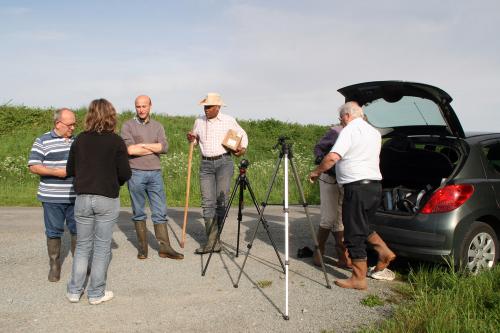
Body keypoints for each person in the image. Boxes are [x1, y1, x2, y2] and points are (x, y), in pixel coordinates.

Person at [309, 101, 395, 290]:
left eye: (341, 118)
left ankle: (358, 278)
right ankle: (384, 251)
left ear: (347, 116)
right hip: (374, 186)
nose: (341, 122)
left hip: (356, 187)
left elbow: (333, 157)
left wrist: (316, 172)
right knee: (365, 225)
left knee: (353, 232)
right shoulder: (373, 132)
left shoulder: (349, 130)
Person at [66, 98, 131, 305]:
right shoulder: (116, 141)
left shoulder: (79, 140)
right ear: (111, 116)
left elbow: (70, 171)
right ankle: (96, 294)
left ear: (90, 115)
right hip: (106, 198)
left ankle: (74, 291)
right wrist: (114, 182)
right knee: (102, 248)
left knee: (83, 246)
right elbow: (125, 173)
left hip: (83, 198)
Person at [121, 95, 183, 260]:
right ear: (135, 107)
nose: (141, 109)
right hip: (136, 173)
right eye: (138, 106)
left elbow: (164, 147)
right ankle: (143, 249)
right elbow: (130, 150)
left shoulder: (158, 126)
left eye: (144, 106)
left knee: (160, 211)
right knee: (139, 212)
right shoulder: (128, 126)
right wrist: (154, 148)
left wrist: (144, 146)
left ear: (150, 106)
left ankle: (165, 248)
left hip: (155, 173)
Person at [187, 93, 248, 254]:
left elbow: (243, 135)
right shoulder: (199, 121)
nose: (206, 110)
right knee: (207, 202)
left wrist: (241, 149)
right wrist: (191, 138)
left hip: (224, 162)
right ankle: (212, 242)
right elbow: (194, 141)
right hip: (205, 163)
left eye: (209, 107)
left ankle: (214, 241)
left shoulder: (228, 120)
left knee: (222, 201)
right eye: (205, 107)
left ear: (218, 107)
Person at [28, 108, 77, 282]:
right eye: (70, 124)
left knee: (77, 230)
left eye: (74, 124)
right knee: (54, 231)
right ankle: (55, 266)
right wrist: (58, 173)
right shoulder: (42, 140)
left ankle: (79, 266)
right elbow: (34, 165)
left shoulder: (77, 141)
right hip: (51, 197)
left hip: (75, 196)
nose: (72, 128)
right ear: (58, 124)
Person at [312, 125, 351, 269]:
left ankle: (342, 256)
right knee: (328, 217)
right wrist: (323, 162)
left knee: (339, 218)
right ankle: (318, 251)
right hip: (329, 177)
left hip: (346, 178)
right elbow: (319, 148)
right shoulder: (336, 131)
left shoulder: (358, 132)